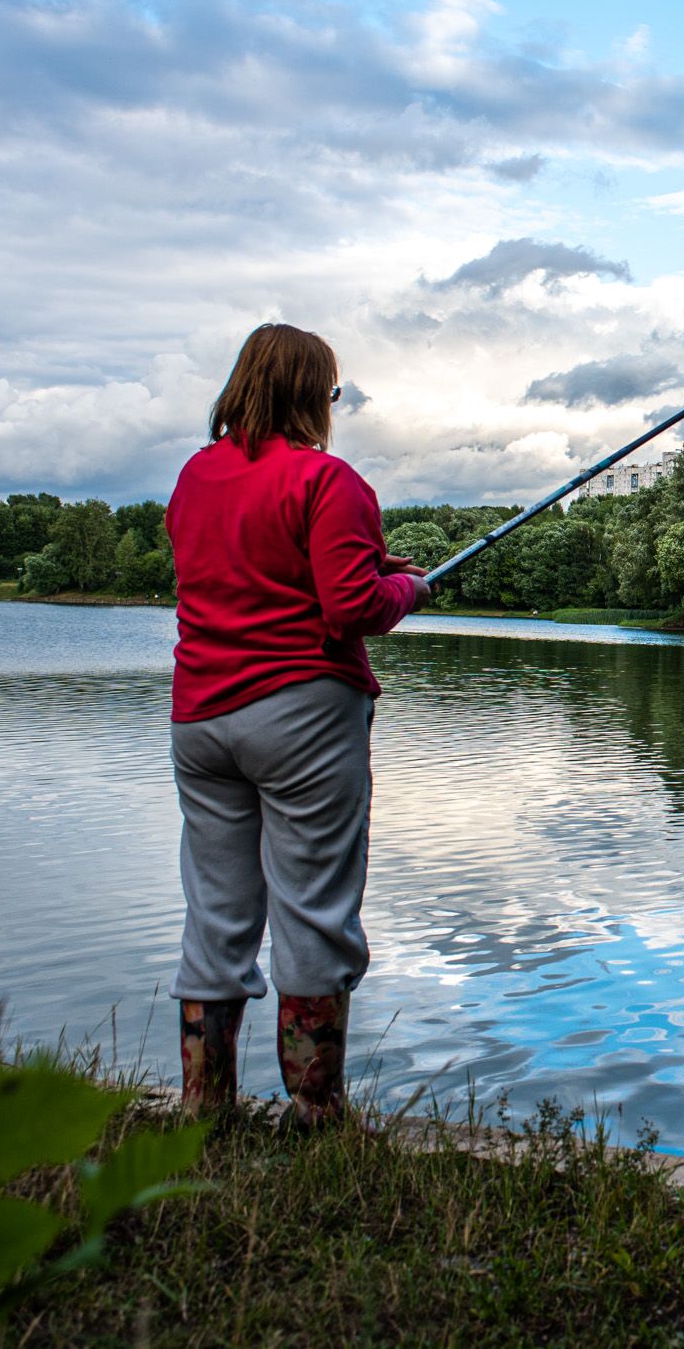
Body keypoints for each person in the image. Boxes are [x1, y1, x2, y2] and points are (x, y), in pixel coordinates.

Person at [166, 324, 430, 1125]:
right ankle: (316, 1115)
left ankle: (203, 1108)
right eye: (332, 393)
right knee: (312, 907)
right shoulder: (328, 481)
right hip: (304, 719)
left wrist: (375, 570)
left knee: (217, 911)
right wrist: (411, 590)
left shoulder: (194, 478)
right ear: (315, 395)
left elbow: (253, 570)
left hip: (202, 718)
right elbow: (352, 607)